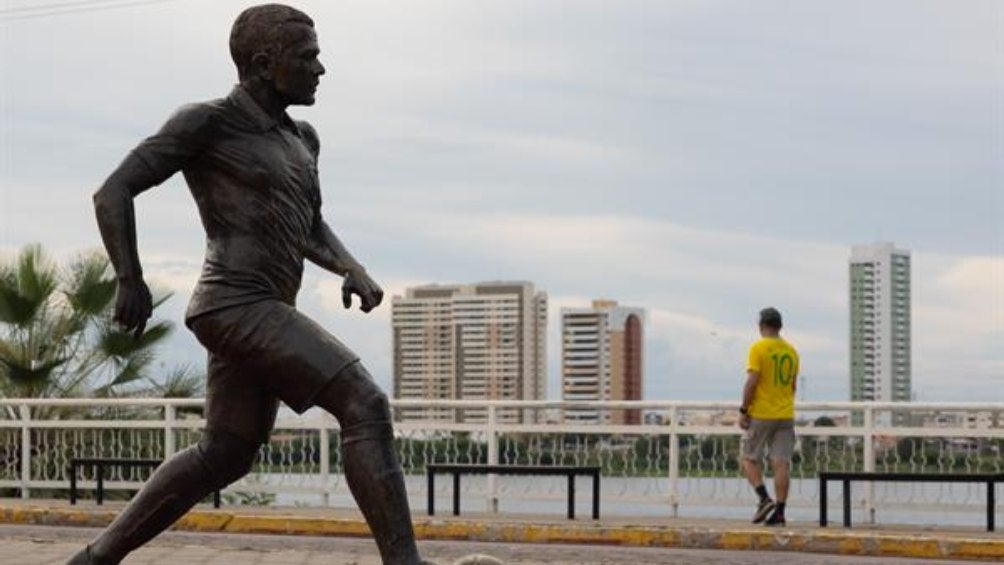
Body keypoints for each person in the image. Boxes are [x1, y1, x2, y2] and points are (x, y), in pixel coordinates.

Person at [70, 5, 441, 564]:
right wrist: (130, 278)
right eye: (308, 57)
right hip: (233, 303)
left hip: (262, 308)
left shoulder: (303, 140)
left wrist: (349, 266)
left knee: (228, 451)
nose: (322, 68)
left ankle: (94, 559)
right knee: (364, 402)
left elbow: (307, 222)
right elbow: (114, 190)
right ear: (266, 64)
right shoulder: (207, 122)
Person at [738, 307, 799, 527]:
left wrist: (744, 410)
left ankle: (764, 498)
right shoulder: (791, 351)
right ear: (780, 326)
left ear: (761, 325)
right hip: (785, 413)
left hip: (762, 413)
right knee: (781, 463)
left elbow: (752, 381)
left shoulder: (758, 348)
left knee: (748, 458)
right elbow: (792, 386)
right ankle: (780, 513)